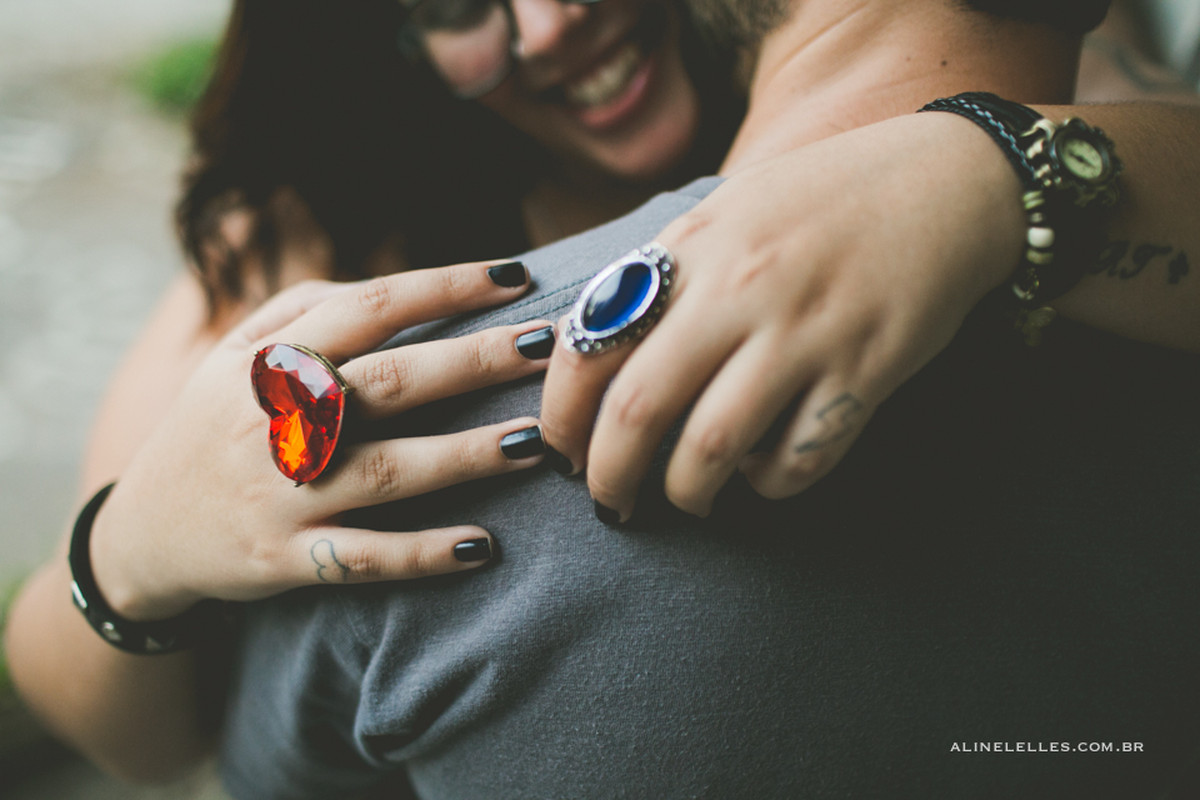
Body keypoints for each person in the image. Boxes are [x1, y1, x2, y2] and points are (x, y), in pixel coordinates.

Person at [6, 0, 1200, 794]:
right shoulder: (318, 230)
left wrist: (980, 168)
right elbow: (146, 740)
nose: (551, 20)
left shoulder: (1056, 80)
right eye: (456, 4)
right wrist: (130, 545)